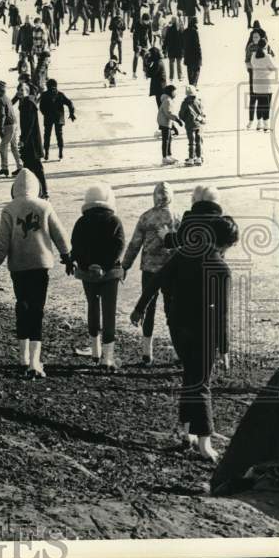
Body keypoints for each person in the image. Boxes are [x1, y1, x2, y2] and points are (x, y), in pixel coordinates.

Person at [145, 206, 239, 461]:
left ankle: (186, 432)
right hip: (204, 333)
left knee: (190, 378)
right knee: (202, 385)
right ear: (225, 244)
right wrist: (225, 347)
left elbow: (159, 278)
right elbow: (222, 314)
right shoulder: (220, 268)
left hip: (179, 327)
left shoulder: (185, 254)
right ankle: (204, 443)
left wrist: (140, 308)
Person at [0, 169, 73, 379]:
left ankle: (23, 358)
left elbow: (1, 241)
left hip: (19, 266)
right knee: (37, 309)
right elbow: (60, 234)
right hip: (41, 264)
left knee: (22, 304)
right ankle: (35, 361)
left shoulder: (9, 209)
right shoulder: (45, 206)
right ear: (36, 188)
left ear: (14, 189)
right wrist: (67, 257)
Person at [70, 184, 126, 370]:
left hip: (88, 274)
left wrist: (88, 265)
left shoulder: (81, 222)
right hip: (109, 274)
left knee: (92, 308)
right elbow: (118, 247)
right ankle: (107, 359)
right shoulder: (114, 221)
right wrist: (105, 265)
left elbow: (76, 246)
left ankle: (95, 352)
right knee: (109, 313)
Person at [125, 182, 181, 365]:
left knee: (148, 309)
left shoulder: (146, 217)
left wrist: (125, 265)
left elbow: (134, 244)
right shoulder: (178, 217)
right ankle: (177, 351)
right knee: (171, 310)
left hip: (149, 269)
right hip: (171, 270)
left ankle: (147, 353)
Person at [15, 81, 48, 198]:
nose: (20, 92)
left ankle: (44, 192)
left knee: (37, 168)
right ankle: (35, 192)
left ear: (27, 92)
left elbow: (29, 125)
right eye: (19, 90)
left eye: (22, 90)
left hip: (32, 142)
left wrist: (23, 140)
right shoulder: (25, 101)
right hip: (30, 140)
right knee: (29, 168)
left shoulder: (28, 104)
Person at [38, 79, 75, 161]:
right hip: (58, 117)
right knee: (58, 135)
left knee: (47, 135)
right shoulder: (60, 94)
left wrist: (45, 113)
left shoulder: (45, 94)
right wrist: (71, 113)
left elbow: (41, 107)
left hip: (50, 118)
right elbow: (70, 103)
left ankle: (48, 153)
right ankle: (59, 153)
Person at [249, 38, 278, 132]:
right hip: (266, 84)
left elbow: (253, 65)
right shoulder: (268, 56)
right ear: (266, 45)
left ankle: (259, 123)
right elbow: (274, 68)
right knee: (266, 105)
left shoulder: (253, 55)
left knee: (259, 104)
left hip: (256, 84)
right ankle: (266, 125)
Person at [0, 80, 20, 178]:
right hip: (14, 123)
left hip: (8, 125)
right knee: (14, 146)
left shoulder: (0, 100)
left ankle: (4, 168)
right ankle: (20, 166)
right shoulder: (7, 98)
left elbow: (2, 115)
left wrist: (1, 128)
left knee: (3, 146)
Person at [179, 85, 206, 166]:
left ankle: (191, 158)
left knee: (191, 142)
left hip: (189, 125)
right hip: (198, 124)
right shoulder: (198, 101)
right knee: (198, 141)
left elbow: (181, 115)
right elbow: (202, 112)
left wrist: (185, 120)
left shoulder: (184, 103)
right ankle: (198, 158)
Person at [158, 84, 183, 165]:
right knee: (165, 140)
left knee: (169, 139)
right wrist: (177, 120)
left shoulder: (169, 100)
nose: (175, 94)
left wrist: (173, 126)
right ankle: (165, 157)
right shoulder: (167, 101)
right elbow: (168, 114)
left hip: (167, 122)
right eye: (174, 92)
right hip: (164, 123)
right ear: (170, 92)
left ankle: (169, 155)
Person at [183, 18, 202, 86]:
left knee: (189, 70)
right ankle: (194, 84)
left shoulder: (185, 31)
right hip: (195, 54)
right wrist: (200, 55)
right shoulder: (195, 32)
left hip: (187, 54)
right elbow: (197, 44)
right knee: (197, 70)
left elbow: (182, 43)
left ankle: (191, 84)